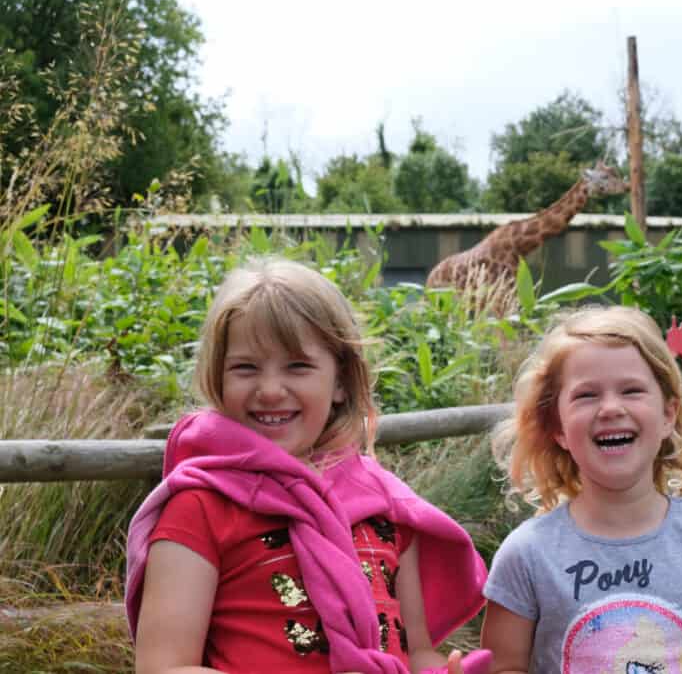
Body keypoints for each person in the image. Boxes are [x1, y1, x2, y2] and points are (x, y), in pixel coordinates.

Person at [125, 257, 491, 674]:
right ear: (219, 377)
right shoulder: (200, 508)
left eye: (298, 366)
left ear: (339, 381)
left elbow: (417, 652)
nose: (269, 390)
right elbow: (162, 667)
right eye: (245, 367)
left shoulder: (383, 506)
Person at [481, 306, 682, 673]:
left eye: (632, 390)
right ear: (557, 427)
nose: (610, 408)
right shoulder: (526, 555)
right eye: (586, 395)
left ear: (668, 415)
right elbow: (504, 667)